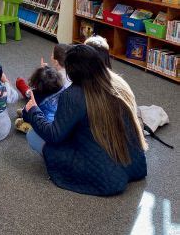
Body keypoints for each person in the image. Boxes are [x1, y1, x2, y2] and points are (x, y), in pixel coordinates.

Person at [24, 44, 147, 196]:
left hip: (103, 174)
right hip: (132, 163)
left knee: (32, 135)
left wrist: (33, 111)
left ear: (72, 70)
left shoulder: (73, 95)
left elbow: (54, 135)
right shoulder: (115, 83)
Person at [15, 66, 64, 133]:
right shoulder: (63, 88)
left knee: (18, 122)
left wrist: (24, 114)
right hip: (60, 120)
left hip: (46, 125)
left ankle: (33, 131)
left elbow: (26, 116)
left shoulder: (36, 95)